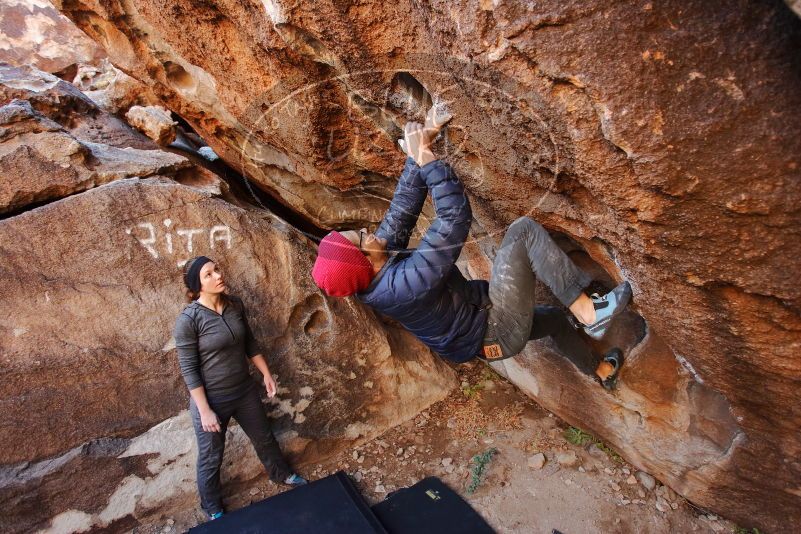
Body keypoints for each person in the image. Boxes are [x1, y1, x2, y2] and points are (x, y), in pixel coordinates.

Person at [311, 106, 632, 388]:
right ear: (365, 262)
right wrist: (425, 157)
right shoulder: (403, 288)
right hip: (495, 330)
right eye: (362, 238)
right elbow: (453, 219)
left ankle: (602, 372)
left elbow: (401, 210)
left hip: (484, 330)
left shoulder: (377, 271)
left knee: (554, 320)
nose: (370, 232)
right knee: (523, 232)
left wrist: (423, 142)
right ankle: (589, 313)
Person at [174, 256, 307, 521]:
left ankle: (282, 475)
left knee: (264, 437)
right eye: (208, 275)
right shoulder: (188, 321)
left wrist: (266, 374)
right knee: (211, 457)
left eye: (217, 270)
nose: (218, 276)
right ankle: (212, 508)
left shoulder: (235, 305)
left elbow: (251, 345)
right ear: (197, 286)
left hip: (244, 391)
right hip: (211, 400)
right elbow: (188, 370)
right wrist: (205, 411)